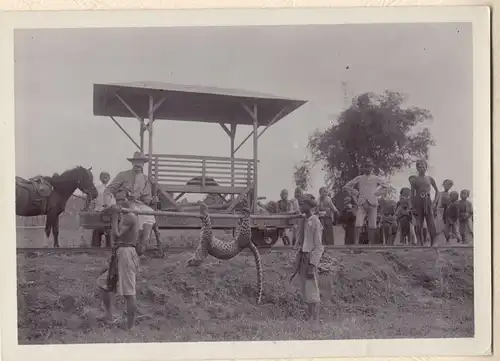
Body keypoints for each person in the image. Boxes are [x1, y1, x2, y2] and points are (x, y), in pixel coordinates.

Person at [96, 200, 140, 330]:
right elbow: (114, 237)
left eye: (120, 201)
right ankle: (108, 316)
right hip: (119, 252)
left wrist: (114, 217)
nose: (118, 203)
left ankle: (130, 327)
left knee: (129, 293)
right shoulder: (125, 216)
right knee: (103, 283)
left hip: (126, 253)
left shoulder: (130, 217)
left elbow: (116, 234)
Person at [104, 151, 158, 255]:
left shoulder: (145, 179)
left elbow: (146, 197)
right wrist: (108, 203)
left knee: (149, 213)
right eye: (136, 162)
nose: (138, 164)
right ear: (132, 163)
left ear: (143, 164)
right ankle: (133, 245)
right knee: (135, 213)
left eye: (141, 162)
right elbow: (109, 190)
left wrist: (152, 200)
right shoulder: (123, 175)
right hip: (123, 202)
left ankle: (143, 245)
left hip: (138, 203)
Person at [290, 195, 324, 321]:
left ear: (308, 206)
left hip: (310, 258)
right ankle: (309, 316)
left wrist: (313, 264)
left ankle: (314, 318)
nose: (300, 207)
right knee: (305, 288)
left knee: (312, 287)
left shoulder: (315, 221)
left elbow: (319, 246)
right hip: (303, 256)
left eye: (302, 204)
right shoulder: (305, 220)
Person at [343, 160, 389, 245]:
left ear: (372, 168)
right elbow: (346, 186)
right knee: (358, 223)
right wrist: (355, 191)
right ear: (364, 169)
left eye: (370, 167)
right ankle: (356, 243)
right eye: (366, 167)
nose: (368, 169)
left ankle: (370, 243)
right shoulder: (359, 178)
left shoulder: (376, 178)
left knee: (372, 225)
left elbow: (386, 186)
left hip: (373, 203)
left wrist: (378, 193)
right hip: (362, 203)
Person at [409, 160, 439, 246]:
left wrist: (434, 203)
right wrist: (412, 207)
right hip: (418, 202)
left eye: (423, 167)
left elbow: (437, 191)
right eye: (420, 167)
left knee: (431, 222)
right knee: (419, 223)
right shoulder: (414, 180)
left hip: (428, 201)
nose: (422, 168)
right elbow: (411, 194)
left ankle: (433, 242)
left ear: (426, 168)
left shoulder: (430, 179)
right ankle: (420, 241)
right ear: (417, 168)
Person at [91, 171, 115, 247]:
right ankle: (95, 248)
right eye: (103, 177)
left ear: (109, 178)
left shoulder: (111, 189)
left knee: (109, 231)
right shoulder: (96, 188)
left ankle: (109, 248)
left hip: (109, 213)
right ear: (100, 178)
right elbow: (93, 201)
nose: (105, 178)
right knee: (97, 230)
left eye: (106, 177)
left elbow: (113, 201)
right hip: (98, 212)